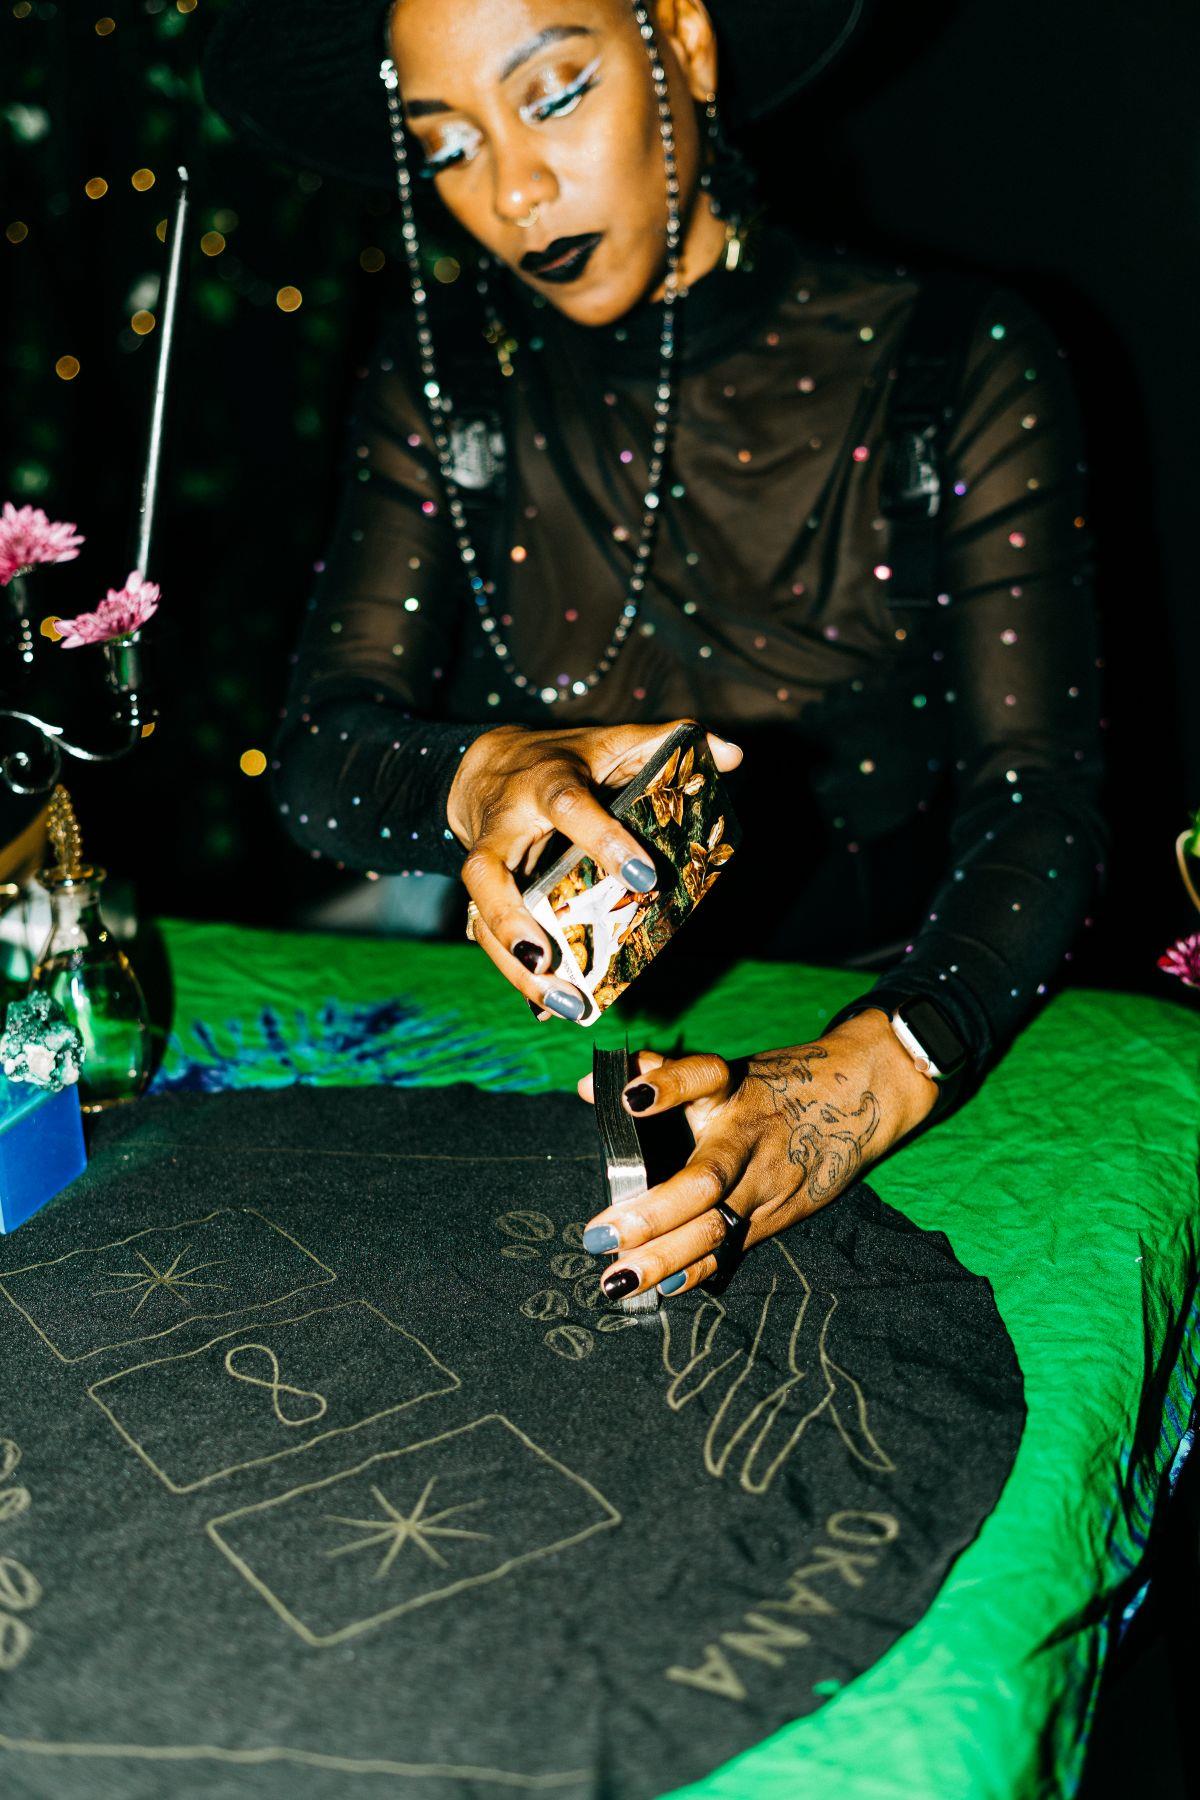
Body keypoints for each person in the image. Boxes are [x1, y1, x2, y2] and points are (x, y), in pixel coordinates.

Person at [203, 0, 1107, 1302]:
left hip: (894, 1010)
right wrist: (480, 776)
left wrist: (871, 1072)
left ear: (682, 41)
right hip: (529, 1061)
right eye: (446, 144)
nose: (513, 191)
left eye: (554, 93)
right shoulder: (447, 381)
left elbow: (1045, 801)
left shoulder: (957, 359)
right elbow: (317, 756)